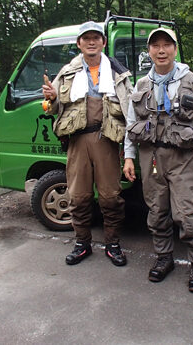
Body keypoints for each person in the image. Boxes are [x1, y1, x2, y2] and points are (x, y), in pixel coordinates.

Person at [123, 27, 193, 293]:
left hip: (182, 157)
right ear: (149, 51)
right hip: (149, 156)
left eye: (167, 45)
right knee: (156, 212)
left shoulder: (191, 81)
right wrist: (129, 157)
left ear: (175, 49)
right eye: (156, 46)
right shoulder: (142, 84)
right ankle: (164, 258)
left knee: (186, 213)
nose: (161, 50)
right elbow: (132, 122)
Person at [42, 21, 133, 267]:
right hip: (77, 142)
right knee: (78, 196)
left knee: (110, 197)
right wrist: (50, 99)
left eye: (96, 37)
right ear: (79, 43)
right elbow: (53, 109)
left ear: (103, 42)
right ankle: (82, 243)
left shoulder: (118, 73)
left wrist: (129, 150)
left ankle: (113, 244)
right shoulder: (67, 72)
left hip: (107, 141)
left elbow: (130, 110)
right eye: (86, 38)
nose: (91, 42)